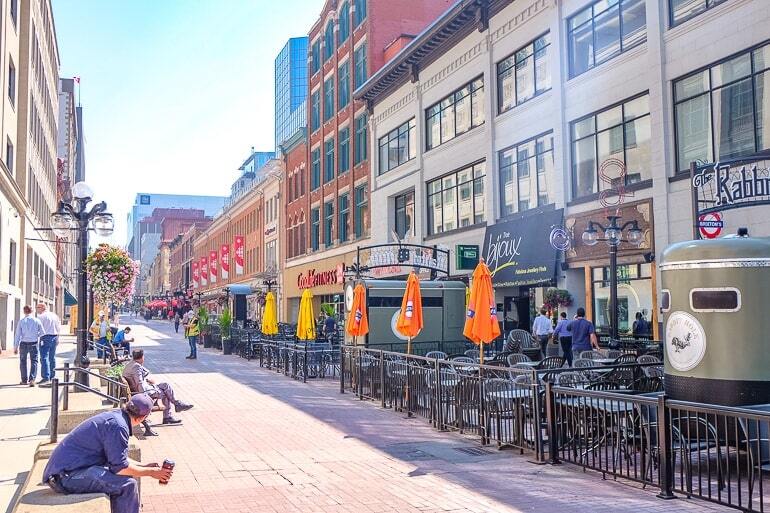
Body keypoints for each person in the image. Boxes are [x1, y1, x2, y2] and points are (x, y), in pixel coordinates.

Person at [43, 394, 173, 513]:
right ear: (144, 417)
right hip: (64, 478)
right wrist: (151, 472)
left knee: (122, 479)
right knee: (127, 485)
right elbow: (120, 467)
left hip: (68, 471)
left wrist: (144, 466)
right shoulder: (119, 427)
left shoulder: (117, 417)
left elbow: (117, 459)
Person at [122, 349, 192, 424]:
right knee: (166, 392)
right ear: (142, 357)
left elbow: (137, 379)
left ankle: (176, 406)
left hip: (139, 389)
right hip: (144, 392)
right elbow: (139, 383)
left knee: (165, 385)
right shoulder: (136, 367)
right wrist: (144, 396)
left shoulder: (130, 364)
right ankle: (170, 413)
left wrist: (147, 380)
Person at [15, 305, 44, 386]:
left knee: (23, 361)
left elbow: (17, 334)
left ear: (24, 311)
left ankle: (24, 380)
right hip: (33, 343)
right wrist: (36, 335)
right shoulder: (37, 320)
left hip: (23, 343)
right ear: (32, 311)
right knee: (34, 361)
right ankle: (32, 380)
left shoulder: (21, 321)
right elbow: (42, 332)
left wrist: (15, 347)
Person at [36, 303, 61, 384]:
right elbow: (58, 328)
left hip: (45, 337)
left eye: (38, 307)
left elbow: (38, 329)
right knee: (52, 357)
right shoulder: (54, 315)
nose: (37, 309)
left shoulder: (41, 316)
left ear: (43, 307)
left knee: (44, 357)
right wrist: (58, 338)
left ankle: (46, 377)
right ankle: (52, 375)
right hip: (54, 337)